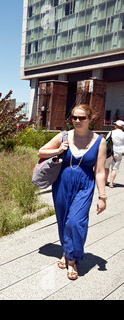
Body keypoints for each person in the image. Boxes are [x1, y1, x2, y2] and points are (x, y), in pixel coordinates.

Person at [37, 104, 107, 280]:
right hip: (62, 183)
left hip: (85, 185)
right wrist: (59, 150)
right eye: (74, 117)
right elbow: (41, 151)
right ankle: (67, 251)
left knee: (75, 222)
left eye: (82, 118)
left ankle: (72, 260)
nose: (77, 121)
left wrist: (102, 196)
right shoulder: (64, 136)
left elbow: (99, 171)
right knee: (63, 221)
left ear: (91, 119)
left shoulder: (100, 141)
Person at [105, 120, 124, 188]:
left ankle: (105, 181)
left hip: (110, 152)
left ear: (116, 125)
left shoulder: (111, 132)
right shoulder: (123, 134)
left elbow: (106, 140)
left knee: (106, 167)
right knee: (114, 168)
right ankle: (111, 183)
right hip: (118, 152)